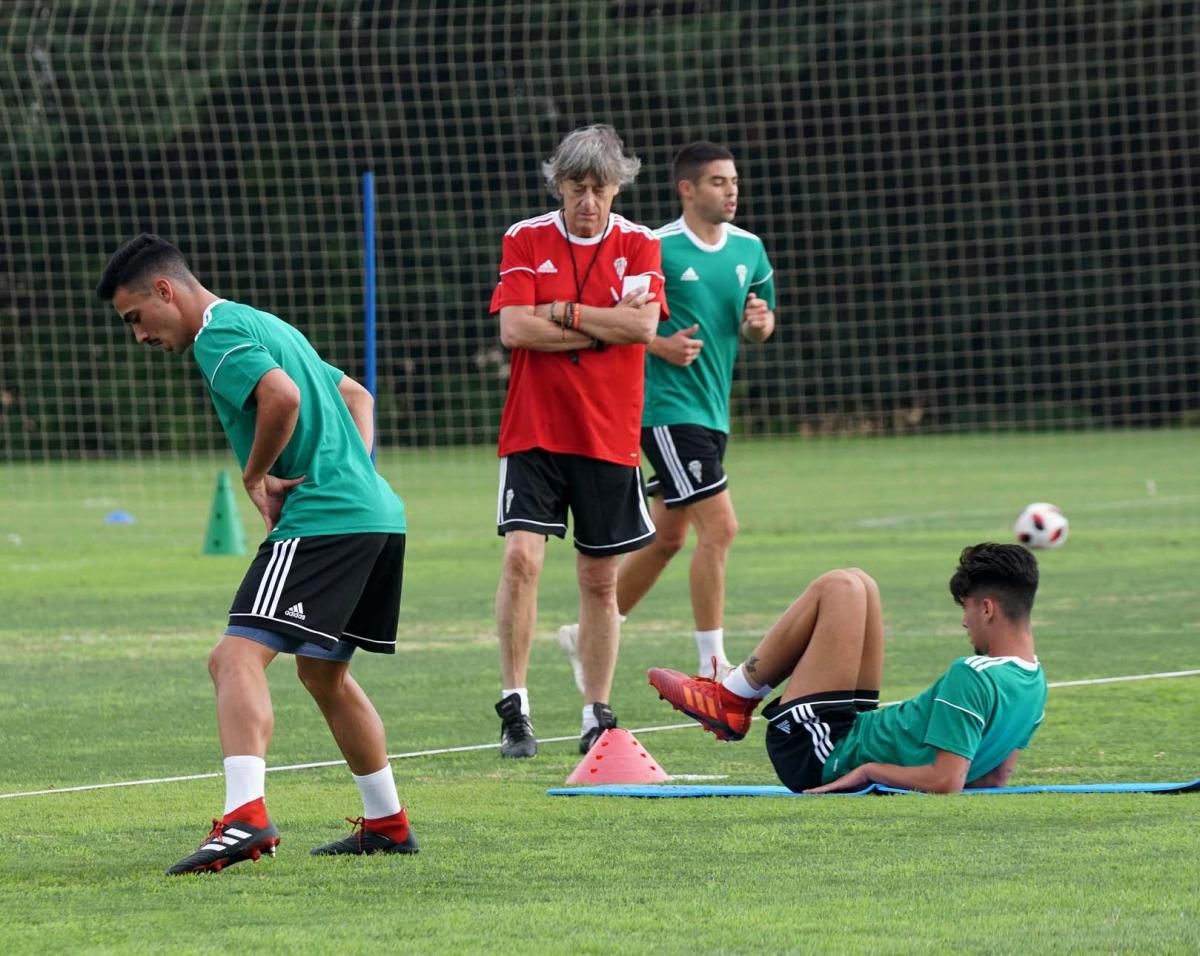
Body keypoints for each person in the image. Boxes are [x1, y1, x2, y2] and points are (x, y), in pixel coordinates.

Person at [96, 234, 418, 874]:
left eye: (136, 318)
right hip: (377, 515)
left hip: (324, 519)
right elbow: (358, 396)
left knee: (233, 657)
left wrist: (257, 474)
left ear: (166, 290)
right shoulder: (264, 321)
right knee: (322, 673)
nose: (139, 337)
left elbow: (283, 398)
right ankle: (387, 822)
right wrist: (351, 468)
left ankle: (244, 817)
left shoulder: (216, 336)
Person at [558, 142, 776, 685]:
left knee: (669, 537)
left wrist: (756, 323)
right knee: (721, 529)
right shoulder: (654, 247)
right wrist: (658, 345)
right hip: (664, 411)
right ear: (688, 189)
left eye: (734, 181)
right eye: (719, 182)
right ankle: (714, 665)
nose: (732, 191)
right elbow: (620, 322)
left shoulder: (750, 248)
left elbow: (759, 325)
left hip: (711, 411)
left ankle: (585, 637)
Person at [489, 124, 667, 757]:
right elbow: (515, 329)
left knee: (599, 580)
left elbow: (642, 327)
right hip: (534, 430)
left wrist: (560, 312)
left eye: (598, 188)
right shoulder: (525, 237)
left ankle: (596, 710)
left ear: (617, 186)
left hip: (607, 431)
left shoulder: (642, 243)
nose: (587, 201)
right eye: (575, 187)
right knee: (522, 560)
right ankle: (516, 706)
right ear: (557, 184)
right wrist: (601, 328)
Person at [648, 543, 1047, 793]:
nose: (964, 622)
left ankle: (731, 698)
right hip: (854, 730)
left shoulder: (974, 673)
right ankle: (733, 696)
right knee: (861, 583)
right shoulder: (1036, 684)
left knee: (839, 585)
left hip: (821, 751)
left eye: (966, 609)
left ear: (988, 608)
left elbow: (946, 780)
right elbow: (993, 779)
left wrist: (871, 771)